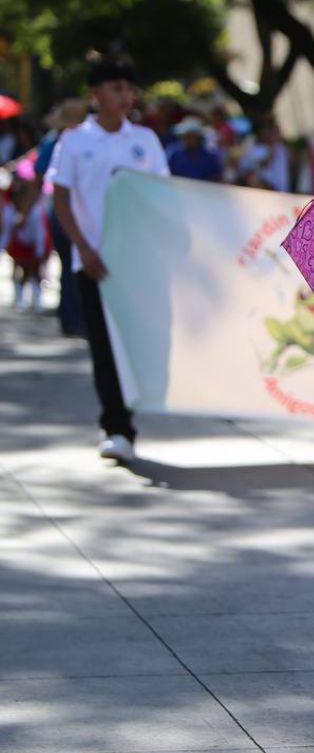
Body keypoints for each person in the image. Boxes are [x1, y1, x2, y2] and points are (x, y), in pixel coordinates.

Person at [47, 55, 169, 462]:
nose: (124, 96)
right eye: (115, 88)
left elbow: (160, 194)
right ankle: (116, 426)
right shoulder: (75, 141)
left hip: (136, 263)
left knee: (133, 344)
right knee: (103, 345)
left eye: (128, 88)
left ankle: (129, 413)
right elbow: (61, 197)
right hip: (95, 263)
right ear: (95, 94)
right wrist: (82, 247)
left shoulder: (145, 141)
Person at [34, 98, 89, 336]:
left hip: (78, 211)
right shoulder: (60, 143)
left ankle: (74, 316)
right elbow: (42, 178)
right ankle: (71, 317)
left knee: (75, 265)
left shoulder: (83, 141)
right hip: (63, 210)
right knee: (70, 264)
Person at [5, 166, 52, 312]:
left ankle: (37, 300)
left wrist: (40, 252)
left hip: (35, 245)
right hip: (18, 244)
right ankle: (19, 299)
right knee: (19, 267)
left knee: (34, 270)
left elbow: (41, 234)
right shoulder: (10, 210)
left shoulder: (37, 212)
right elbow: (6, 232)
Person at [238, 115, 291, 191]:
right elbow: (247, 168)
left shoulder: (281, 148)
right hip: (265, 188)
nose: (268, 133)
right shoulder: (255, 149)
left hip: (281, 189)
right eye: (265, 131)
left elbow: (292, 162)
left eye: (270, 131)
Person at [166, 116, 222, 182]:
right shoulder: (173, 152)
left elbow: (215, 178)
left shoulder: (209, 157)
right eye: (185, 136)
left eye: (190, 136)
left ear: (199, 137)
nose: (187, 139)